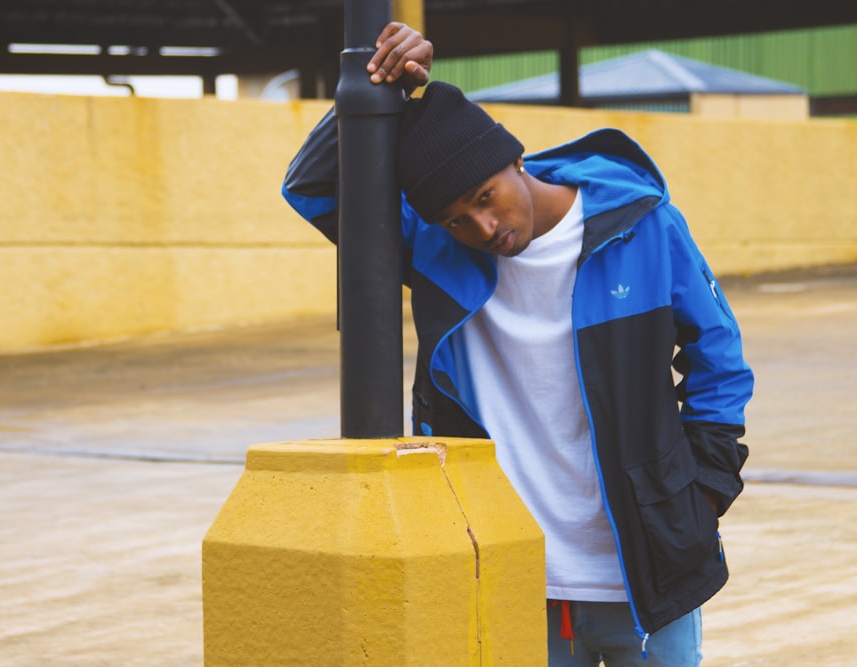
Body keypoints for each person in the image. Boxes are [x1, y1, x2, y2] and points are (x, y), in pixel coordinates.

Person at [282, 22, 753, 667]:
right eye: (456, 219)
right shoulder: (437, 251)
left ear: (514, 159)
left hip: (649, 571)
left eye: (487, 197)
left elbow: (718, 358)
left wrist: (704, 492)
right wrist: (374, 95)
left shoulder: (638, 226)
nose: (483, 227)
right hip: (511, 575)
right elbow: (311, 189)